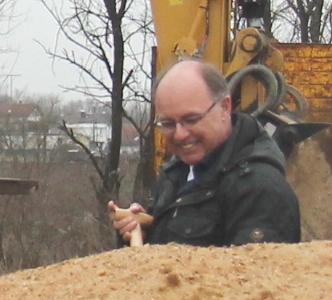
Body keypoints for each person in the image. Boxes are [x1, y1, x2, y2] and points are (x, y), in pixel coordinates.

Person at [108, 59, 300, 247]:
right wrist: (140, 235)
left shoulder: (259, 190)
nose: (180, 134)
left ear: (225, 107)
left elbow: (251, 276)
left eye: (191, 119)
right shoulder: (175, 174)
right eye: (167, 124)